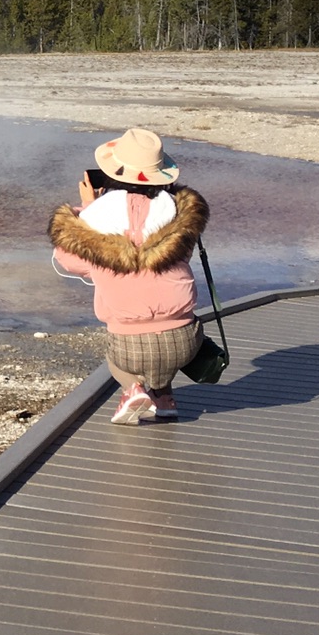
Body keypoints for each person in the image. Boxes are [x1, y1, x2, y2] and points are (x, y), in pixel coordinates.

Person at [49, 127, 208, 425]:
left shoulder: (96, 217)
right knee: (163, 351)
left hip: (128, 347)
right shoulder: (175, 212)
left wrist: (89, 206)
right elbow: (180, 253)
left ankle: (132, 390)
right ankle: (164, 398)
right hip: (186, 343)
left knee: (118, 354)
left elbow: (69, 260)